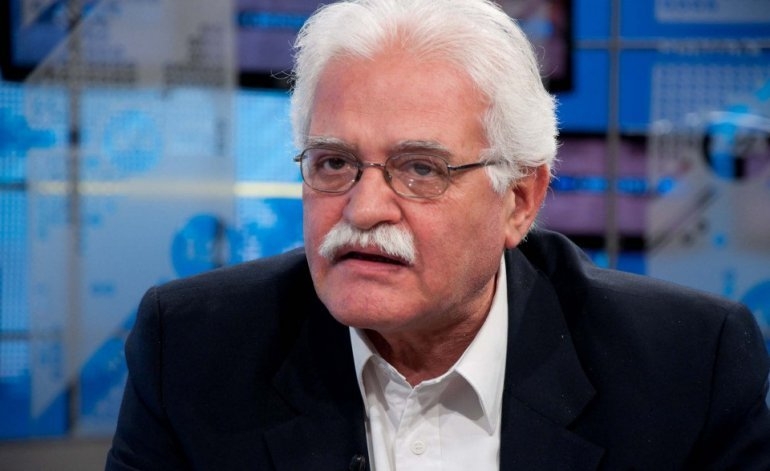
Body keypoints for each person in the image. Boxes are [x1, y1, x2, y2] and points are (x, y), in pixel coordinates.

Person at [106, 0, 770, 469]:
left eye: (420, 168)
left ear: (519, 200)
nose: (364, 208)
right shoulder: (192, 350)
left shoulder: (685, 368)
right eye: (333, 163)